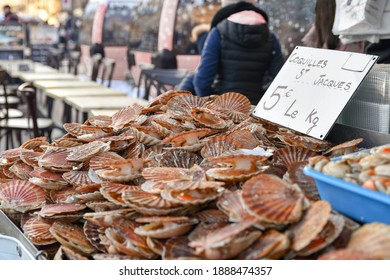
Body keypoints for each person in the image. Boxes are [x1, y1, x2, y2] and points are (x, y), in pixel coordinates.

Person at [179, 0, 284, 100]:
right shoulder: (271, 37)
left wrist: (210, 102)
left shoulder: (219, 32)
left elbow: (202, 79)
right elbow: (279, 79)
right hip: (255, 107)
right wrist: (261, 100)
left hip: (222, 106)